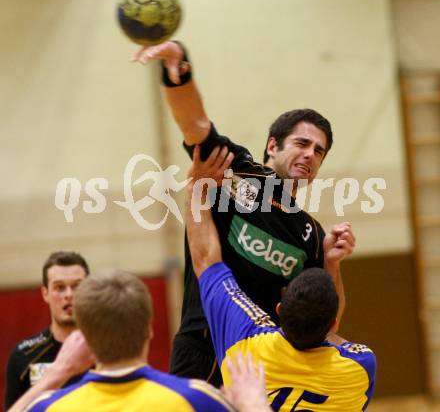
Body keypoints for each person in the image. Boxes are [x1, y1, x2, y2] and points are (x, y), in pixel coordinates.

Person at [132, 41, 356, 386]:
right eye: (301, 144)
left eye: (318, 151)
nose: (310, 155)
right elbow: (195, 125)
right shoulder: (237, 171)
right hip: (202, 352)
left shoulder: (308, 232)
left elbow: (328, 322)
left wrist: (332, 263)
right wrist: (179, 70)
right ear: (272, 146)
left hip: (260, 366)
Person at [185, 175, 376, 411]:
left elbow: (206, 261)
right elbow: (334, 335)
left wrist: (196, 187)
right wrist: (332, 264)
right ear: (333, 322)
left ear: (279, 309)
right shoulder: (360, 368)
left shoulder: (248, 345)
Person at [9, 270, 237, 412]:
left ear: (83, 339)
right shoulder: (199, 399)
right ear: (149, 329)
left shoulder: (48, 406)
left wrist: (56, 373)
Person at [4, 251, 89, 410]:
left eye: (77, 286)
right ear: (45, 294)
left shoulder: (107, 351)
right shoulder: (23, 355)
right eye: (60, 287)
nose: (69, 295)